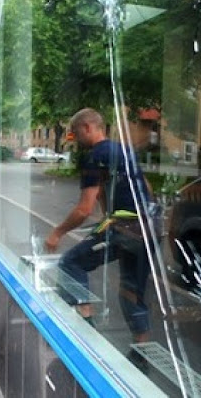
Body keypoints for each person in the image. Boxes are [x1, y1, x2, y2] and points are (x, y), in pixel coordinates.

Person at [45, 108, 153, 352]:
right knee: (131, 291)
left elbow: (84, 209)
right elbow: (142, 185)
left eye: (75, 133)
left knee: (71, 263)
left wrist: (57, 233)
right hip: (148, 227)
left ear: (87, 128)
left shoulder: (95, 156)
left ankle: (86, 329)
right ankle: (142, 353)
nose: (74, 139)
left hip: (126, 228)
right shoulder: (123, 151)